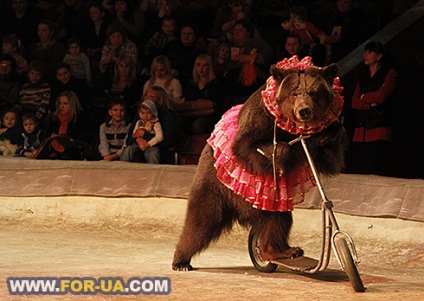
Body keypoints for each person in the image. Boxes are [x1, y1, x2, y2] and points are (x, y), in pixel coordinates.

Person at [346, 41, 397, 175]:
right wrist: (368, 102)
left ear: (379, 56)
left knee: (374, 168)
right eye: (365, 52)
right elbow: (354, 102)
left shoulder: (388, 72)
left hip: (379, 126)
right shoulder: (362, 76)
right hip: (361, 128)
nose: (365, 55)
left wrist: (364, 97)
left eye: (370, 52)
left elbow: (382, 96)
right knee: (359, 168)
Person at [223, 18, 274, 104]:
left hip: (250, 86)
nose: (236, 32)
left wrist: (249, 58)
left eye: (240, 30)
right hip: (232, 88)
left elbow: (267, 55)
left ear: (248, 33)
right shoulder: (230, 45)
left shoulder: (256, 42)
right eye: (235, 30)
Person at [35, 90, 94, 160]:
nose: (61, 106)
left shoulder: (80, 118)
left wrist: (63, 137)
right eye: (60, 103)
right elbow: (48, 134)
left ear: (72, 104)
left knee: (56, 141)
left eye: (65, 103)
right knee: (51, 141)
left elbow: (82, 137)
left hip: (74, 146)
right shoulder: (54, 118)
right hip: (56, 144)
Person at [180, 54, 224, 135]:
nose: (201, 69)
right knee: (180, 122)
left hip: (210, 115)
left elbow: (217, 102)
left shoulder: (215, 83)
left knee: (198, 124)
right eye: (198, 65)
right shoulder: (192, 84)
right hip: (192, 113)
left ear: (209, 67)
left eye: (205, 65)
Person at [120, 99, 163, 164]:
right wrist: (138, 140)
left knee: (153, 153)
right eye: (143, 113)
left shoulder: (156, 124)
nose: (145, 115)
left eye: (148, 113)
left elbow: (160, 137)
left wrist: (147, 144)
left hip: (151, 145)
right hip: (138, 144)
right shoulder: (139, 122)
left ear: (153, 113)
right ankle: (122, 169)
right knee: (127, 150)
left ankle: (153, 171)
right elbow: (134, 134)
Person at [164, 22, 204, 89]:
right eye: (184, 33)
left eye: (190, 34)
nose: (186, 36)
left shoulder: (199, 53)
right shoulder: (170, 47)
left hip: (186, 83)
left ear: (195, 36)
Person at [26, 19, 67, 84]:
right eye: (39, 30)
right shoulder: (33, 46)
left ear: (51, 32)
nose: (40, 33)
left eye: (44, 30)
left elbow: (56, 66)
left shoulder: (58, 47)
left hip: (48, 78)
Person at [103, 54, 143, 119]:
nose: (123, 69)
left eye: (127, 66)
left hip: (126, 115)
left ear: (131, 68)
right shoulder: (109, 81)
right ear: (117, 67)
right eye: (121, 66)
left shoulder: (135, 84)